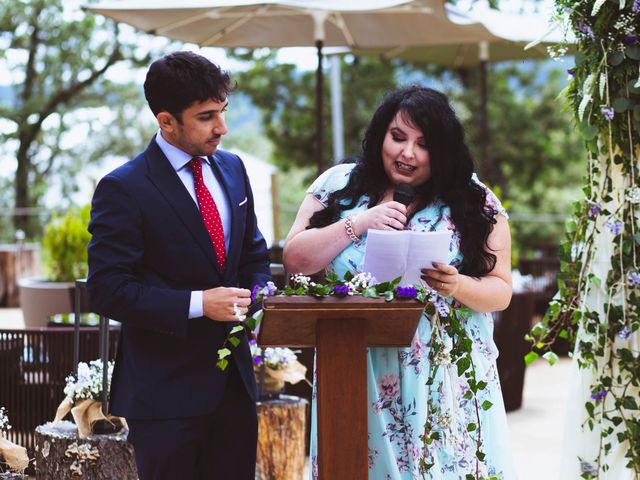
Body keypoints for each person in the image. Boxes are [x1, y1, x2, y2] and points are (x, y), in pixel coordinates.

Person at [283, 86, 516, 479]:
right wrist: (358, 224)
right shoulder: (338, 184)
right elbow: (295, 260)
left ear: (442, 151)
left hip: (445, 370)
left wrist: (456, 284)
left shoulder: (476, 202)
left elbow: (501, 291)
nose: (407, 153)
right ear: (380, 137)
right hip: (358, 363)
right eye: (398, 137)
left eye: (423, 144)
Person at [87, 51, 271, 480]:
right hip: (163, 395)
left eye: (223, 112)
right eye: (207, 116)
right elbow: (107, 289)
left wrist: (260, 297)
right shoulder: (123, 188)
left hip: (235, 388)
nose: (222, 128)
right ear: (166, 121)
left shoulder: (233, 168)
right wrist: (198, 304)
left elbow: (253, 256)